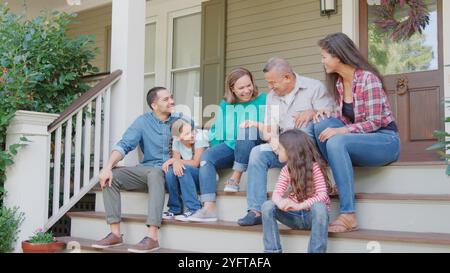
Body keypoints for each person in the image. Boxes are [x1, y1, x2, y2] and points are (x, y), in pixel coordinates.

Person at [314, 32, 400, 233]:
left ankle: (348, 214)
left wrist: (341, 129)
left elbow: (374, 122)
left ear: (338, 56)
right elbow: (346, 120)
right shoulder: (339, 83)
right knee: (320, 125)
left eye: (324, 56)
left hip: (385, 140)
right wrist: (328, 114)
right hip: (361, 141)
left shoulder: (367, 79)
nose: (322, 61)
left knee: (336, 141)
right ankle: (333, 179)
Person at [238, 57, 334, 226]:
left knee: (303, 128)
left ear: (287, 78)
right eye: (268, 83)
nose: (270, 87)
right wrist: (273, 140)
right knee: (257, 153)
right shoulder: (271, 97)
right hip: (283, 147)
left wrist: (312, 111)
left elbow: (328, 116)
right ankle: (256, 210)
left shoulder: (313, 88)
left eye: (273, 82)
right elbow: (271, 129)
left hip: (306, 153)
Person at [91, 86, 181, 253]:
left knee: (155, 173)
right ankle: (115, 234)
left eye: (171, 97)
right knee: (112, 176)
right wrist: (108, 167)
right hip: (147, 170)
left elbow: (195, 146)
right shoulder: (143, 121)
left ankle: (152, 237)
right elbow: (124, 145)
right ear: (154, 105)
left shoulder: (180, 121)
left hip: (171, 173)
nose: (172, 101)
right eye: (166, 99)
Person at [188, 67, 267, 222]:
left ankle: (236, 177)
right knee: (207, 157)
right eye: (241, 88)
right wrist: (214, 154)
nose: (247, 90)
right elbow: (219, 131)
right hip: (233, 146)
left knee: (246, 130)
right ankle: (209, 208)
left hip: (255, 144)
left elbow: (271, 126)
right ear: (232, 89)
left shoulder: (264, 99)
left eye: (249, 85)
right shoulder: (226, 104)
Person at [262, 130, 331, 253]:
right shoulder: (285, 170)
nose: (276, 150)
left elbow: (322, 195)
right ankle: (272, 251)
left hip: (312, 217)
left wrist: (299, 205)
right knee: (268, 206)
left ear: (291, 151)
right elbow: (277, 193)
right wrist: (281, 202)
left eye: (279, 148)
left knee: (320, 208)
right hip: (294, 217)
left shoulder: (315, 168)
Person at [162, 118, 209, 221]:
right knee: (170, 172)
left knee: (184, 169)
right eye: (187, 133)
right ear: (178, 137)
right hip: (188, 178)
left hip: (205, 177)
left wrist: (174, 160)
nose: (192, 135)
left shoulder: (199, 138)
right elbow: (176, 163)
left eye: (192, 130)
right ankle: (175, 208)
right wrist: (174, 161)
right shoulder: (176, 141)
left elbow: (196, 163)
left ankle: (194, 209)